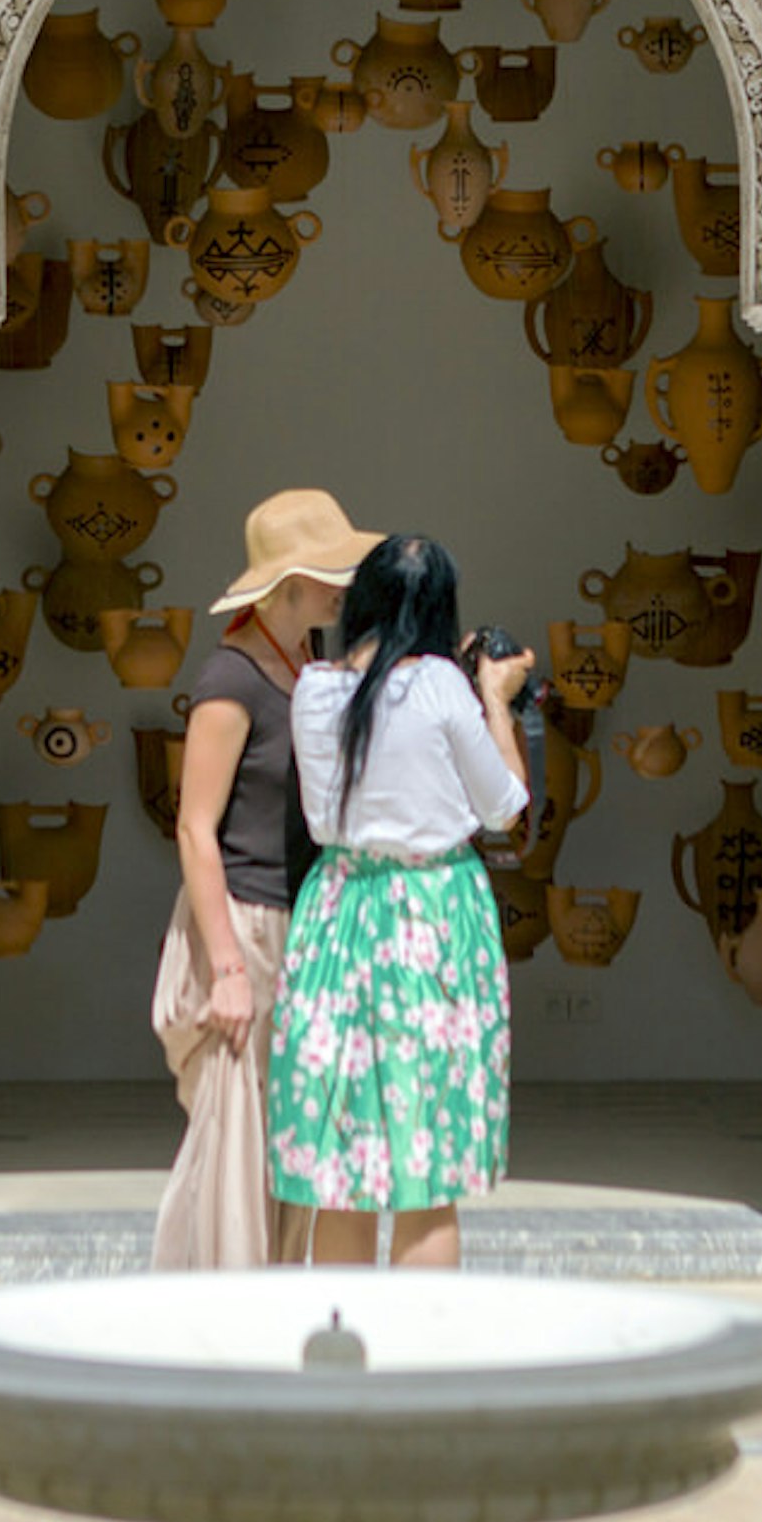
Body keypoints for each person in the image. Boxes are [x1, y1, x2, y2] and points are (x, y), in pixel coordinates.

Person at [270, 535, 533, 1268]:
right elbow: (504, 806)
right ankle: (423, 1361)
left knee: (344, 1173)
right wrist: (496, 702)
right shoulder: (442, 687)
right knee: (426, 1173)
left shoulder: (315, 688)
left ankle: (345, 1357)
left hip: (339, 910)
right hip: (430, 912)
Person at [149, 488, 381, 1270]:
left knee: (287, 1140)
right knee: (237, 1149)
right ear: (289, 586)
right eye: (329, 574)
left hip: (295, 926)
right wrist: (226, 968)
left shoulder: (302, 665)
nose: (342, 587)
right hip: (244, 925)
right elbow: (195, 828)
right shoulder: (231, 680)